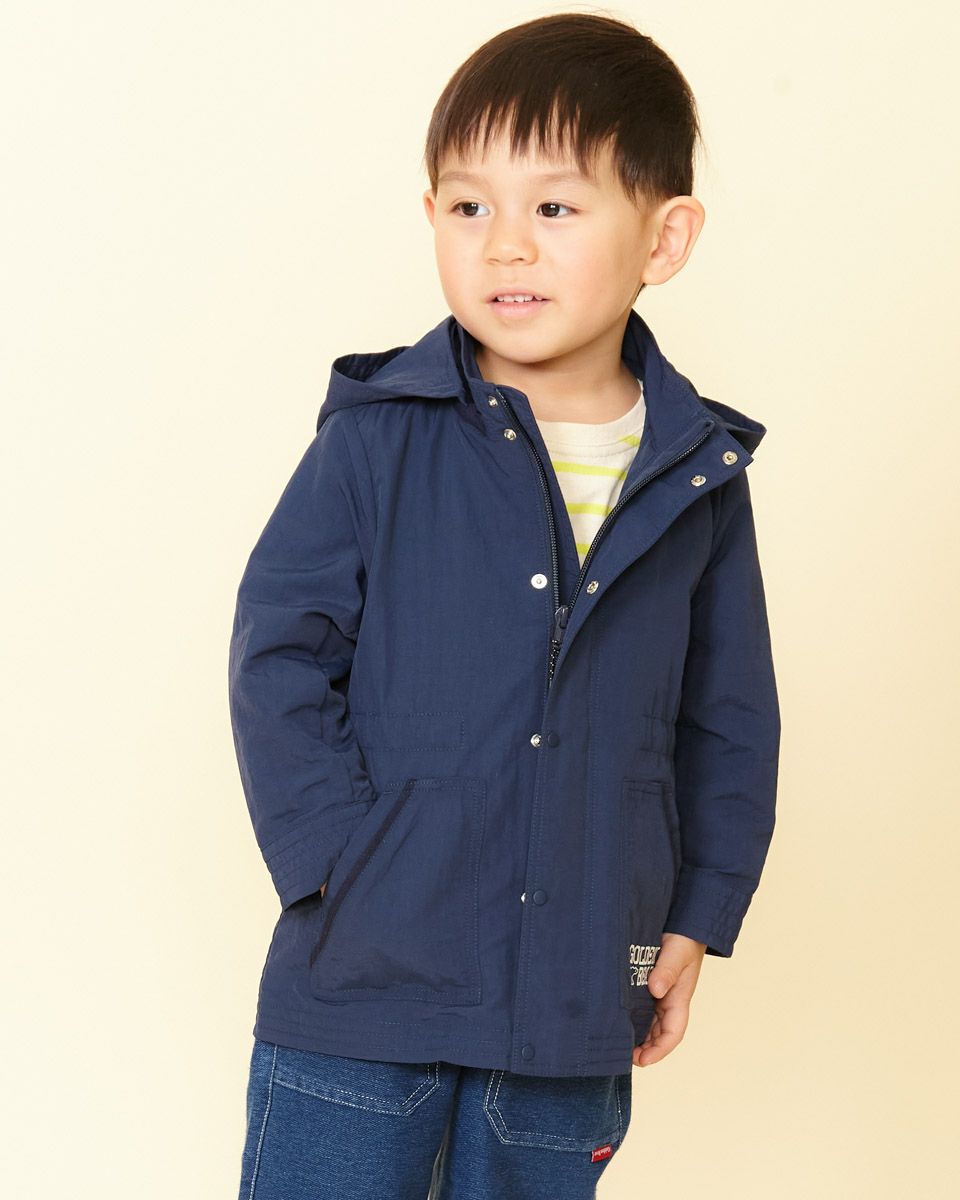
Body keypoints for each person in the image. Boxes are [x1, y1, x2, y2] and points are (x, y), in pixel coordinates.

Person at [228, 11, 781, 1199]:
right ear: (430, 215)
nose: (507, 246)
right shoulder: (378, 439)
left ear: (665, 236)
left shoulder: (696, 477)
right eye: (470, 206)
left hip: (575, 997)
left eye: (556, 207)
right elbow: (279, 650)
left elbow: (730, 718)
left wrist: (695, 916)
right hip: (364, 983)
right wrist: (332, 861)